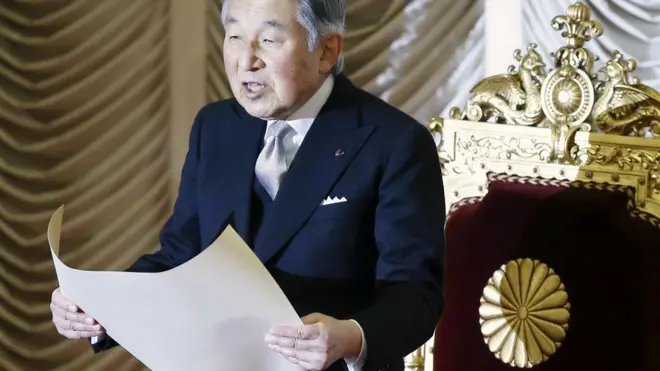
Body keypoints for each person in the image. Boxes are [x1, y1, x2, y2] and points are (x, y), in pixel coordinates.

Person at [49, 0, 446, 370]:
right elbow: (181, 256)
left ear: (326, 51)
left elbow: (415, 295)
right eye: (235, 36)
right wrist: (101, 307)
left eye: (269, 41)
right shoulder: (216, 127)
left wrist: (350, 338)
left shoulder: (394, 143)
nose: (246, 61)